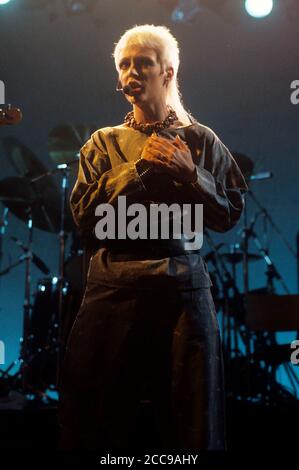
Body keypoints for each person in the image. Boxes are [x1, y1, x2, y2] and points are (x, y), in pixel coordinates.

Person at [58, 24, 248, 450]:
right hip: (111, 294)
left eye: (143, 63)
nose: (131, 71)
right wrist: (137, 169)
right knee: (95, 425)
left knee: (191, 428)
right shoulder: (103, 143)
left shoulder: (201, 141)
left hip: (184, 296)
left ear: (168, 72)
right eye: (124, 64)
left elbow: (230, 214)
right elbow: (83, 215)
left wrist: (192, 175)